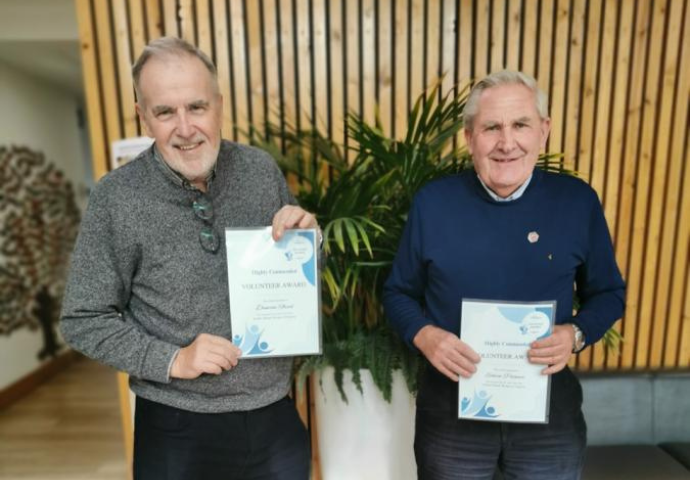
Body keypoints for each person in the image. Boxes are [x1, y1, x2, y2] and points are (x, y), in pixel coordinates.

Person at [60, 37, 316, 480]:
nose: (184, 127)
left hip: (275, 413)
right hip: (177, 425)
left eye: (196, 107)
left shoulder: (260, 171)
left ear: (218, 106)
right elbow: (82, 318)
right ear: (144, 117)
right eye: (165, 112)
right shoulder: (116, 198)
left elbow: (298, 282)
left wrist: (309, 245)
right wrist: (171, 360)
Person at [383, 70, 625, 480]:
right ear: (469, 137)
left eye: (520, 125)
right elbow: (397, 293)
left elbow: (609, 294)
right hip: (451, 411)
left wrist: (576, 334)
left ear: (543, 131)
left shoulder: (577, 202)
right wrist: (425, 336)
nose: (506, 142)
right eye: (491, 127)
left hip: (548, 412)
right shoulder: (433, 203)